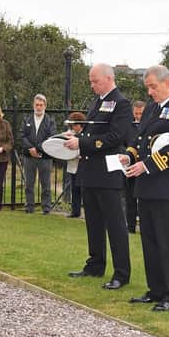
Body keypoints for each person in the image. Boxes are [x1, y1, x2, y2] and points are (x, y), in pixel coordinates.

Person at [123, 65, 169, 311]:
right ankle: (156, 290)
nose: (150, 92)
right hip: (147, 187)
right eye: (148, 88)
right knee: (150, 242)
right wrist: (130, 156)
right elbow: (140, 139)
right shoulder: (152, 109)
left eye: (153, 87)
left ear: (166, 83)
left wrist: (147, 165)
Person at [66, 63, 132, 290]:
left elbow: (115, 136)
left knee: (115, 225)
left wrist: (82, 142)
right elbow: (91, 130)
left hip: (108, 172)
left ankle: (121, 273)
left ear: (108, 78)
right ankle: (95, 264)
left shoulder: (121, 103)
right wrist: (76, 136)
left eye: (95, 80)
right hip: (90, 170)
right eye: (91, 81)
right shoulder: (98, 102)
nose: (92, 85)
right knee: (93, 222)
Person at [20, 94, 56, 214]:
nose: (39, 107)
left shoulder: (50, 121)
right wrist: (31, 148)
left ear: (45, 106)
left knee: (46, 184)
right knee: (29, 183)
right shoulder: (27, 119)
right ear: (33, 105)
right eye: (37, 105)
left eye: (41, 105)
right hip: (29, 156)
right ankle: (29, 207)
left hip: (45, 157)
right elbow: (22, 135)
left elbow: (50, 137)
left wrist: (38, 149)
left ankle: (46, 207)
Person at [124, 100, 145, 232]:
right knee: (130, 197)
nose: (138, 116)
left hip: (144, 166)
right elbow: (122, 143)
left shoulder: (150, 124)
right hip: (130, 165)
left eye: (140, 113)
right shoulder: (128, 126)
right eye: (136, 113)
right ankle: (130, 226)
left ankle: (144, 226)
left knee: (143, 199)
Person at [66, 111, 87, 218]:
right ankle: (75, 211)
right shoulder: (70, 134)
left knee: (84, 190)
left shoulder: (86, 134)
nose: (74, 127)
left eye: (75, 125)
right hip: (73, 164)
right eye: (72, 125)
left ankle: (88, 212)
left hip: (84, 166)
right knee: (74, 189)